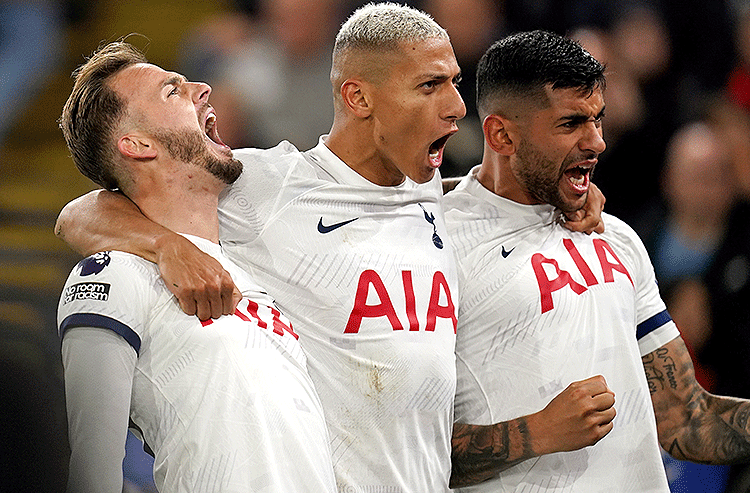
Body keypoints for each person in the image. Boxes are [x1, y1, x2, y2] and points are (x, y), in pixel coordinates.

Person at [55, 5, 605, 492]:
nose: (458, 107)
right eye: (429, 85)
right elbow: (83, 211)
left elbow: (508, 190)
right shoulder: (268, 188)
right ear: (359, 96)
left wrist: (570, 189)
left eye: (454, 82)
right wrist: (166, 244)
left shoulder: (441, 202)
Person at [443, 29, 750, 491]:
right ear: (501, 134)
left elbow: (685, 420)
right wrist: (538, 432)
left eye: (598, 120)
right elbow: (401, 449)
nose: (596, 142)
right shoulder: (434, 246)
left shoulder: (615, 237)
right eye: (570, 124)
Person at [56, 40, 337, 493]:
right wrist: (164, 245)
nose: (204, 89)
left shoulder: (250, 270)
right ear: (138, 144)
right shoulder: (114, 273)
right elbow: (92, 472)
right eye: (173, 91)